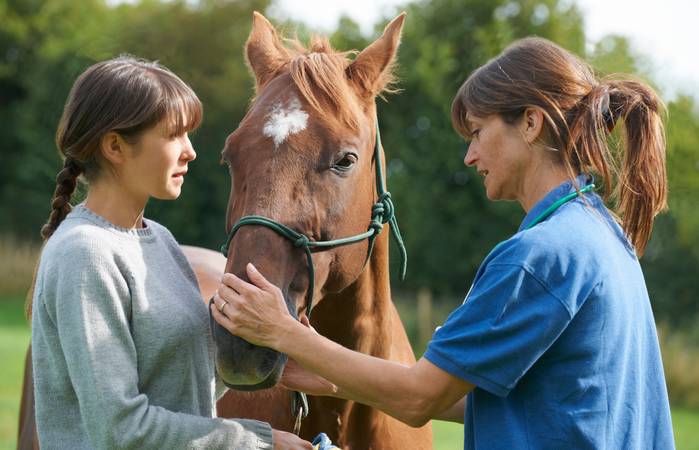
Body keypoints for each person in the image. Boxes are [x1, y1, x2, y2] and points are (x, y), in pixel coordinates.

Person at [211, 37, 675, 449]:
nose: (470, 155)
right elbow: (502, 402)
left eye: (477, 132)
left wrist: (283, 332)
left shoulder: (535, 259)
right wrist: (338, 381)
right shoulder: (602, 233)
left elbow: (420, 398)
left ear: (531, 123)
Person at [30, 55, 311, 449]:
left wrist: (278, 366)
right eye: (174, 135)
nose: (191, 151)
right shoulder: (85, 254)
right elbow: (120, 431)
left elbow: (178, 390)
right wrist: (259, 442)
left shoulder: (159, 240)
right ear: (115, 146)